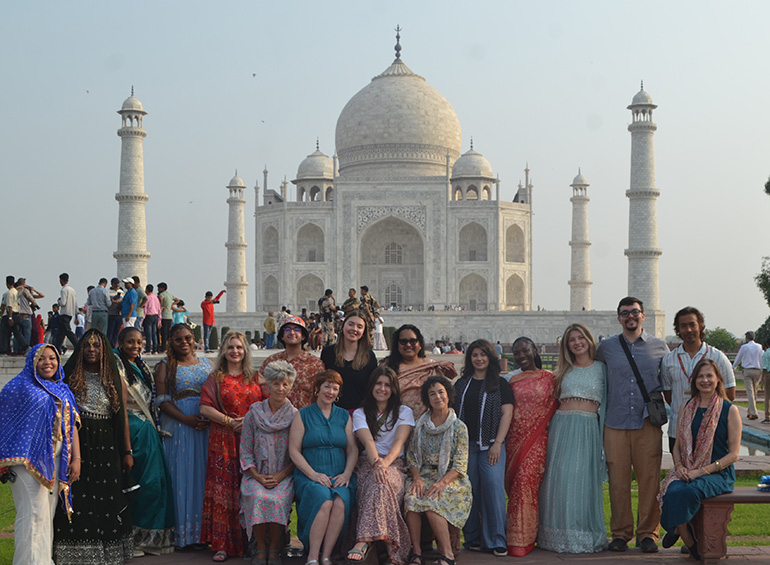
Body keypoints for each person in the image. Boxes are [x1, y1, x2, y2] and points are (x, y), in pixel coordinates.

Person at [53, 329, 134, 564]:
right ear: (80, 349)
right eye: (87, 345)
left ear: (104, 349)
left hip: (108, 447)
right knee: (79, 499)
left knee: (108, 498)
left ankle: (109, 553)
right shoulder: (68, 376)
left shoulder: (114, 378)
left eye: (97, 346)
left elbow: (122, 418)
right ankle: (76, 553)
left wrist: (127, 451)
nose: (91, 349)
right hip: (77, 445)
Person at [595, 296, 669, 553]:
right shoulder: (606, 347)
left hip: (647, 422)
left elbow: (669, 384)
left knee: (649, 479)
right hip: (615, 422)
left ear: (643, 315)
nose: (630, 316)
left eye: (635, 312)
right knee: (618, 480)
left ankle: (648, 533)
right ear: (618, 318)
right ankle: (620, 533)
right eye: (625, 313)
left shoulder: (659, 346)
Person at [0, 344, 81, 565]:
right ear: (32, 362)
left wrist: (76, 458)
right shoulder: (19, 387)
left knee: (46, 518)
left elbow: (71, 425)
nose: (48, 363)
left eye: (52, 358)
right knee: (32, 515)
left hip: (55, 460)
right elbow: (4, 421)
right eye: (42, 358)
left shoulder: (62, 389)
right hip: (26, 463)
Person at [659, 358, 741, 560]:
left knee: (690, 490)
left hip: (718, 473)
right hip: (688, 469)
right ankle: (688, 537)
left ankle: (679, 531)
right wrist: (678, 466)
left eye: (709, 376)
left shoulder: (730, 410)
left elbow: (734, 454)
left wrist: (700, 472)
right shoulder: (688, 408)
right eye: (700, 376)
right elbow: (677, 446)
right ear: (694, 380)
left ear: (718, 379)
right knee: (672, 489)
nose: (705, 380)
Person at [537, 323, 608, 554]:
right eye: (572, 340)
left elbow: (607, 404)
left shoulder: (602, 369)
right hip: (563, 426)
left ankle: (583, 535)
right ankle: (556, 536)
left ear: (588, 340)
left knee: (582, 481)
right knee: (560, 478)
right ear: (566, 345)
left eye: (581, 338)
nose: (577, 343)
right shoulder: (562, 371)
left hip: (588, 428)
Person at [200, 331, 265, 561]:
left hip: (252, 439)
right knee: (224, 491)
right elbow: (205, 408)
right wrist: (229, 421)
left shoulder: (256, 377)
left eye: (239, 347)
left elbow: (268, 405)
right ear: (223, 351)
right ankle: (222, 544)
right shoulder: (216, 377)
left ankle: (254, 542)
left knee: (250, 490)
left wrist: (247, 421)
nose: (235, 351)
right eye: (230, 347)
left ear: (245, 350)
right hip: (223, 440)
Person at [115, 327, 175, 555]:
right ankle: (134, 539)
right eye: (130, 342)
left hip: (146, 430)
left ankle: (150, 538)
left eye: (139, 342)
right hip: (131, 429)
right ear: (120, 342)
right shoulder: (118, 365)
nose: (136, 346)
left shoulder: (139, 365)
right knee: (139, 484)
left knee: (155, 484)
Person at [289, 370, 358, 565]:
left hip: (339, 474)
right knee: (323, 500)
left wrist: (346, 474)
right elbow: (294, 451)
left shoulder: (344, 416)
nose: (330, 391)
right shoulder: (302, 415)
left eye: (335, 388)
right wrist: (313, 474)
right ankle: (312, 556)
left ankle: (326, 555)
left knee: (339, 501)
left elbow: (352, 449)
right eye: (327, 386)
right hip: (311, 474)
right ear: (317, 389)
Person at [154, 322, 213, 548]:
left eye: (188, 338)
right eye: (179, 339)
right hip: (180, 426)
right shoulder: (166, 366)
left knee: (203, 477)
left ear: (194, 338)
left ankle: (203, 534)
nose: (184, 342)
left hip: (205, 426)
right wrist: (186, 419)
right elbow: (161, 401)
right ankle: (183, 536)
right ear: (171, 342)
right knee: (182, 478)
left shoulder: (207, 363)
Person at [349, 367, 415, 565]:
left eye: (387, 385)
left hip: (394, 463)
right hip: (368, 462)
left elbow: (399, 442)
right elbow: (368, 441)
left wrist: (384, 464)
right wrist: (377, 464)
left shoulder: (404, 412)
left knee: (383, 484)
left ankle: (364, 541)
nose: (383, 388)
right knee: (377, 483)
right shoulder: (360, 413)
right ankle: (391, 547)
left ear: (393, 388)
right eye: (378, 384)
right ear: (371, 386)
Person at [404, 375, 471, 565]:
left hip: (451, 478)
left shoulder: (459, 427)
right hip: (423, 474)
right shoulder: (420, 425)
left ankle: (447, 555)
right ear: (427, 399)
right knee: (411, 497)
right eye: (432, 394)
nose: (437, 397)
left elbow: (460, 464)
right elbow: (411, 457)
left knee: (433, 500)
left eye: (441, 392)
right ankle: (416, 552)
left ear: (448, 395)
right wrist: (416, 478)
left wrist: (441, 483)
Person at [454, 340, 513, 556]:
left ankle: (497, 539)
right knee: (467, 490)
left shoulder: (500, 383)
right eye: (474, 355)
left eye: (483, 355)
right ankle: (473, 538)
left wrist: (498, 443)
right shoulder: (462, 384)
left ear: (490, 357)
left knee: (493, 489)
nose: (479, 359)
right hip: (465, 447)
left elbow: (507, 414)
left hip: (490, 445)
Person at [239, 361, 298, 565]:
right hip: (257, 474)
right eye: (276, 384)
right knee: (256, 495)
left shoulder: (295, 416)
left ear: (290, 387)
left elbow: (297, 453)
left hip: (284, 475)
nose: (280, 389)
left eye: (285, 385)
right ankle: (261, 548)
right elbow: (245, 449)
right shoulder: (254, 413)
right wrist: (257, 476)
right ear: (268, 386)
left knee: (276, 499)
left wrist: (281, 475)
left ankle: (274, 547)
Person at [504, 336, 557, 557]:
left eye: (525, 351)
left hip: (537, 440)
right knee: (517, 487)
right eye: (516, 353)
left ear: (535, 350)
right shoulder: (511, 380)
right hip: (514, 441)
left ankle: (523, 539)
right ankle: (517, 536)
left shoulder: (550, 379)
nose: (521, 356)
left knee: (526, 483)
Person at [662, 307, 735, 453]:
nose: (688, 330)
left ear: (700, 326)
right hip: (678, 428)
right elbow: (669, 396)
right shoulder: (669, 360)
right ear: (678, 330)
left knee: (709, 473)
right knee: (682, 473)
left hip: (712, 429)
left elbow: (729, 394)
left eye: (692, 324)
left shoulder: (718, 357)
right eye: (683, 326)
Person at [384, 324, 457, 418]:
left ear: (420, 344)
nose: (408, 345)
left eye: (413, 341)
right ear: (397, 344)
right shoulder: (387, 366)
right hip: (396, 422)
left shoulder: (431, 366)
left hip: (428, 425)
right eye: (403, 341)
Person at [259, 315, 325, 410]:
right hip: (275, 420)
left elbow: (321, 396)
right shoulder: (271, 361)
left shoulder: (315, 364)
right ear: (282, 336)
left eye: (297, 329)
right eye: (287, 329)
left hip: (304, 420)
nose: (292, 332)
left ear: (303, 336)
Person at [321, 310, 377, 411]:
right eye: (350, 324)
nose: (354, 329)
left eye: (359, 327)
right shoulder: (328, 353)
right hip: (331, 411)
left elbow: (371, 388)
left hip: (360, 413)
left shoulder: (369, 357)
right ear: (343, 327)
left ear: (364, 332)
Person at [732, 331, 763, 421]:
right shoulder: (759, 347)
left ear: (747, 338)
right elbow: (761, 358)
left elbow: (738, 358)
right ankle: (751, 411)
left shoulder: (744, 347)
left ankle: (753, 412)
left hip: (748, 370)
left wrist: (733, 367)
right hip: (757, 370)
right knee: (755, 392)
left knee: (750, 392)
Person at [1, 275, 27, 355]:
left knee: (4, 333)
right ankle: (26, 347)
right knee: (17, 333)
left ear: (7, 283)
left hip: (10, 315)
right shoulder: (16, 292)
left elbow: (9, 306)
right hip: (16, 314)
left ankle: (4, 350)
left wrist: (9, 318)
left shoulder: (9, 293)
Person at [55, 272, 79, 353]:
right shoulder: (72, 290)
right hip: (70, 313)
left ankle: (77, 345)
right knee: (60, 333)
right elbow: (75, 304)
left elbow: (63, 302)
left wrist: (58, 301)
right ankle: (57, 348)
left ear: (61, 280)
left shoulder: (64, 290)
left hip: (64, 313)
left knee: (67, 331)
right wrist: (76, 315)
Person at [158, 282, 177, 353]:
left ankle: (163, 348)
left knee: (163, 333)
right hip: (169, 316)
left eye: (159, 288)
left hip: (163, 316)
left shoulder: (162, 294)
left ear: (162, 288)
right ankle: (169, 347)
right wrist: (172, 305)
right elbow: (177, 300)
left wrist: (160, 306)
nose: (158, 289)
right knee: (168, 333)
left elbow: (161, 299)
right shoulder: (170, 295)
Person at [107, 277, 124, 347]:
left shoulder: (122, 292)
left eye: (118, 283)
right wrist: (113, 299)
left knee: (116, 332)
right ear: (112, 284)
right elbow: (107, 302)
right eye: (115, 283)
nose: (117, 285)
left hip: (119, 314)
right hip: (111, 314)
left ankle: (113, 346)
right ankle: (109, 347)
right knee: (110, 332)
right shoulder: (108, 292)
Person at [143, 284, 161, 354]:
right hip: (155, 316)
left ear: (147, 290)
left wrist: (143, 319)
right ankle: (155, 349)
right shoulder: (156, 298)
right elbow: (159, 309)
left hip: (149, 316)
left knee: (148, 334)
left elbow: (145, 309)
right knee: (154, 333)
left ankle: (148, 349)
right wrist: (159, 319)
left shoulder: (147, 298)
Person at [762, 339, 770, 424]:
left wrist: (762, 380)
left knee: (767, 396)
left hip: (768, 374)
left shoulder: (766, 353)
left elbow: (764, 367)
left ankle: (767, 416)